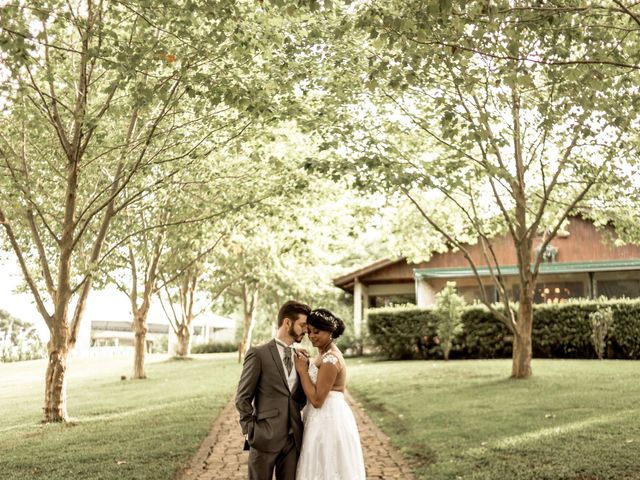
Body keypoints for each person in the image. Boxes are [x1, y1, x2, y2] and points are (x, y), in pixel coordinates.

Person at [235, 300, 311, 480]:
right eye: (302, 325)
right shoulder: (258, 354)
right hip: (264, 438)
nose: (306, 331)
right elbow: (242, 397)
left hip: (293, 440)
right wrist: (250, 430)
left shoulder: (301, 357)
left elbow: (299, 397)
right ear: (287, 323)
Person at [293, 308, 366, 480]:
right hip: (318, 417)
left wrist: (303, 371)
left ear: (330, 332)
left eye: (317, 332)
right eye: (309, 331)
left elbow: (318, 399)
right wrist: (307, 361)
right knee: (316, 460)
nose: (311, 336)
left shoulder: (331, 359)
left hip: (329, 417)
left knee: (329, 463)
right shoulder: (322, 354)